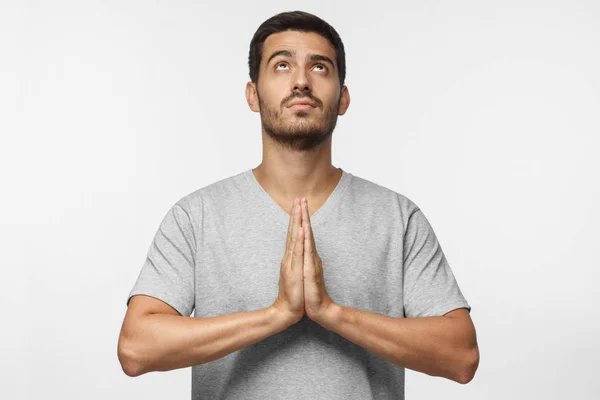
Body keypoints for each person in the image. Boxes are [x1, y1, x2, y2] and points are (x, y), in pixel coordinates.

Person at [117, 10, 479, 399]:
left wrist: (330, 312)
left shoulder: (397, 217)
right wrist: (277, 315)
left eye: (320, 67)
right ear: (253, 94)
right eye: (282, 65)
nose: (301, 81)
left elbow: (461, 355)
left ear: (343, 98)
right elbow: (136, 349)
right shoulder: (196, 217)